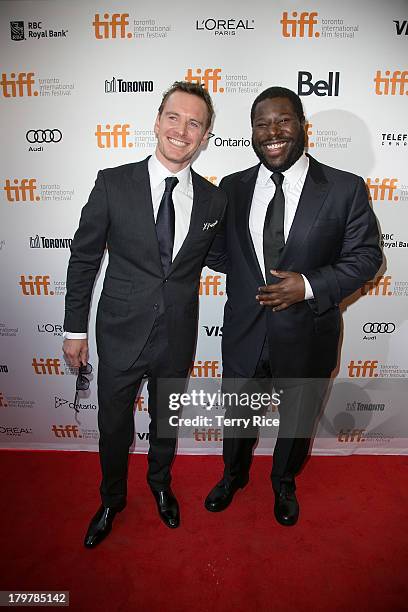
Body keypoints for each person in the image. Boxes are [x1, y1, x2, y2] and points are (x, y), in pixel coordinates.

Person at [204, 86, 382, 526]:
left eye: (282, 120)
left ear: (303, 125)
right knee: (238, 414)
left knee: (297, 421)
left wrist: (305, 286)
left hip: (308, 334)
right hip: (246, 332)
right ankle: (233, 474)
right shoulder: (232, 187)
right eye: (261, 125)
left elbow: (366, 258)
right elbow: (225, 253)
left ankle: (283, 481)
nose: (272, 133)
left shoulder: (344, 187)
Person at [63, 81, 226, 547]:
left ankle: (160, 484)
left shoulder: (215, 201)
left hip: (176, 336)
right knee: (113, 425)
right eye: (174, 117)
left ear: (206, 134)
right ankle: (112, 498)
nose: (182, 130)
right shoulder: (113, 183)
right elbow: (84, 258)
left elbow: (226, 258)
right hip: (119, 333)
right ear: (157, 122)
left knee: (165, 421)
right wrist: (75, 329)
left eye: (195, 123)